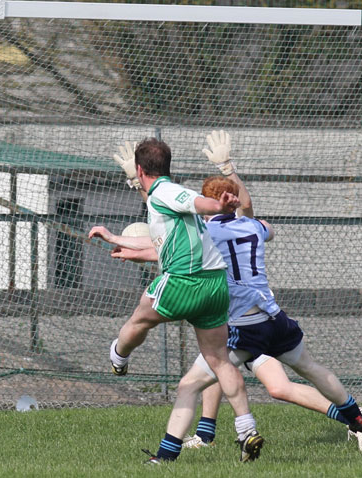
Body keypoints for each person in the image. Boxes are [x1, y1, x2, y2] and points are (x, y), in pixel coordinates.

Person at [110, 131, 362, 453]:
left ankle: (175, 451)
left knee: (199, 376)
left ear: (206, 208)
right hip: (272, 316)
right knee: (305, 370)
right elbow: (250, 213)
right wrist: (228, 169)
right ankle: (355, 417)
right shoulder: (255, 227)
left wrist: (121, 239)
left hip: (242, 324)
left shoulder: (206, 232)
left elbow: (162, 244)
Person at [88, 137, 264, 464]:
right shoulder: (162, 195)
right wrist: (124, 240)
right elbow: (165, 225)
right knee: (219, 360)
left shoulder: (169, 192)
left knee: (137, 322)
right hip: (214, 286)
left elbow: (198, 202)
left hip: (183, 282)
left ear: (141, 169)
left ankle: (119, 356)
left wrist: (219, 205)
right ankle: (245, 428)